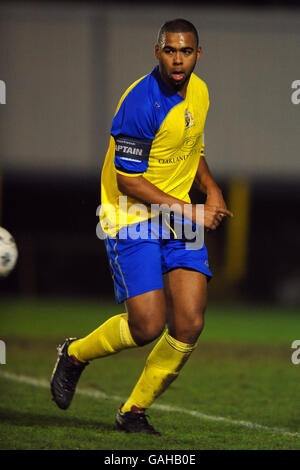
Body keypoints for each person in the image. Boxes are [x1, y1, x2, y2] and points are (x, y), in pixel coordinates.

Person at [50, 18, 232, 435]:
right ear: (158, 52)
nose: (178, 59)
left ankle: (132, 411)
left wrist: (213, 189)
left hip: (178, 215)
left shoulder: (201, 92)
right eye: (170, 50)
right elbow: (127, 180)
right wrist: (192, 211)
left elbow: (191, 149)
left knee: (189, 322)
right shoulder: (140, 102)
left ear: (198, 55)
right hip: (131, 215)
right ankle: (75, 354)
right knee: (147, 325)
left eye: (186, 51)